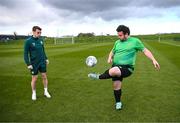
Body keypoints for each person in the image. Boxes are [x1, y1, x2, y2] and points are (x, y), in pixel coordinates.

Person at [88, 25, 160, 110]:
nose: (119, 37)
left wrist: (153, 60)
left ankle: (98, 76)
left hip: (127, 68)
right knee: (116, 86)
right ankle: (118, 103)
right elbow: (112, 51)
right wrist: (110, 57)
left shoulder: (135, 41)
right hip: (115, 65)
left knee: (114, 71)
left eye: (120, 35)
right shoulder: (117, 42)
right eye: (118, 35)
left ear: (126, 34)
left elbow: (145, 51)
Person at [24, 26, 51, 101]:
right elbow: (25, 54)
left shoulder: (41, 40)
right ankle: (34, 93)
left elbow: (43, 50)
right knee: (34, 79)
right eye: (38, 32)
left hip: (42, 62)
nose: (39, 34)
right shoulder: (28, 41)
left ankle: (46, 91)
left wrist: (46, 58)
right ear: (33, 32)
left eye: (40, 32)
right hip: (34, 63)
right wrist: (28, 64)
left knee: (44, 76)